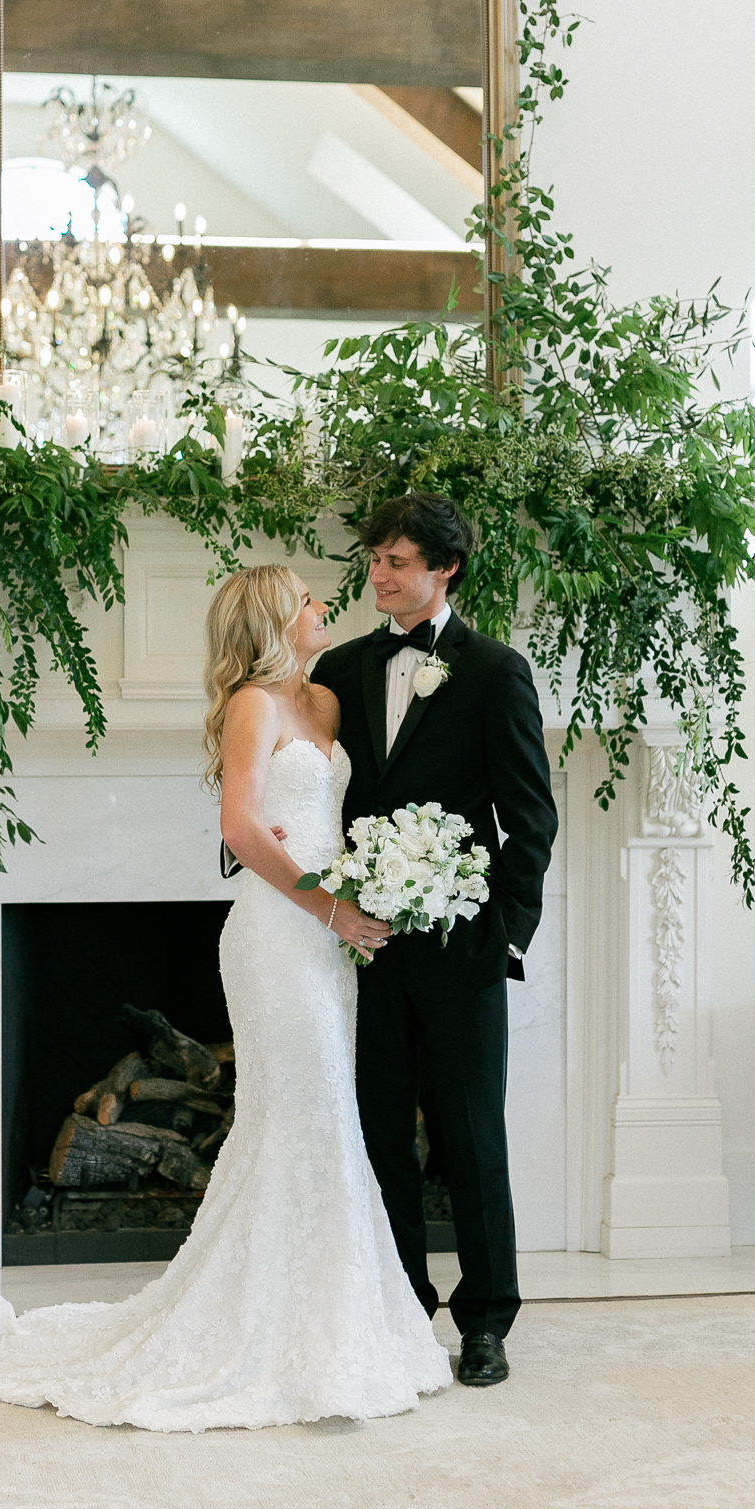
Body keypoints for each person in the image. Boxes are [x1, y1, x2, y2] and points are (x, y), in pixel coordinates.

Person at [0, 563, 452, 1430]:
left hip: (330, 948)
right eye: (307, 599)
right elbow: (239, 826)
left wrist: (380, 881)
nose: (324, 605)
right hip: (279, 936)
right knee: (303, 1116)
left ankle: (328, 1318)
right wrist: (331, 907)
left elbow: (345, 811)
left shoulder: (328, 703)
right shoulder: (253, 703)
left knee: (324, 1118)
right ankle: (276, 1331)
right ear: (274, 620)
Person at [309, 493, 558, 1388]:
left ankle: (486, 1320)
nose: (378, 575)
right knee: (380, 1134)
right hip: (362, 950)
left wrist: (504, 935)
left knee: (471, 1138)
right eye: (375, 559)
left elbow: (530, 818)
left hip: (463, 949)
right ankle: (403, 1306)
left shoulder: (495, 671)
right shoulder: (338, 668)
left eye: (398, 562)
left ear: (445, 569)